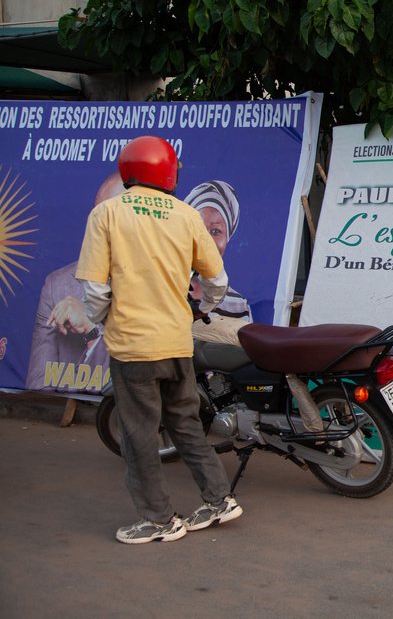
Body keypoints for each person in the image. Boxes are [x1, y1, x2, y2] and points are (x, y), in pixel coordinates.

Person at [75, 136, 242, 544]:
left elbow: (95, 291)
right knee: (185, 424)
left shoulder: (107, 214)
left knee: (139, 437)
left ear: (129, 169)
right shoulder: (186, 215)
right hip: (178, 344)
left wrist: (104, 322)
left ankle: (159, 519)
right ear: (168, 173)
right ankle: (220, 499)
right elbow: (216, 281)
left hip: (133, 348)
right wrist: (198, 312)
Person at [26, 172, 123, 394]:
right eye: (105, 215)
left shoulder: (158, 283)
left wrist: (93, 331)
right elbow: (39, 387)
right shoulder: (57, 286)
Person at [184, 180, 252, 321]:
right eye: (199, 229)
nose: (206, 240)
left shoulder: (238, 305)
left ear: (228, 236)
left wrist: (202, 309)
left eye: (215, 231)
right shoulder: (165, 289)